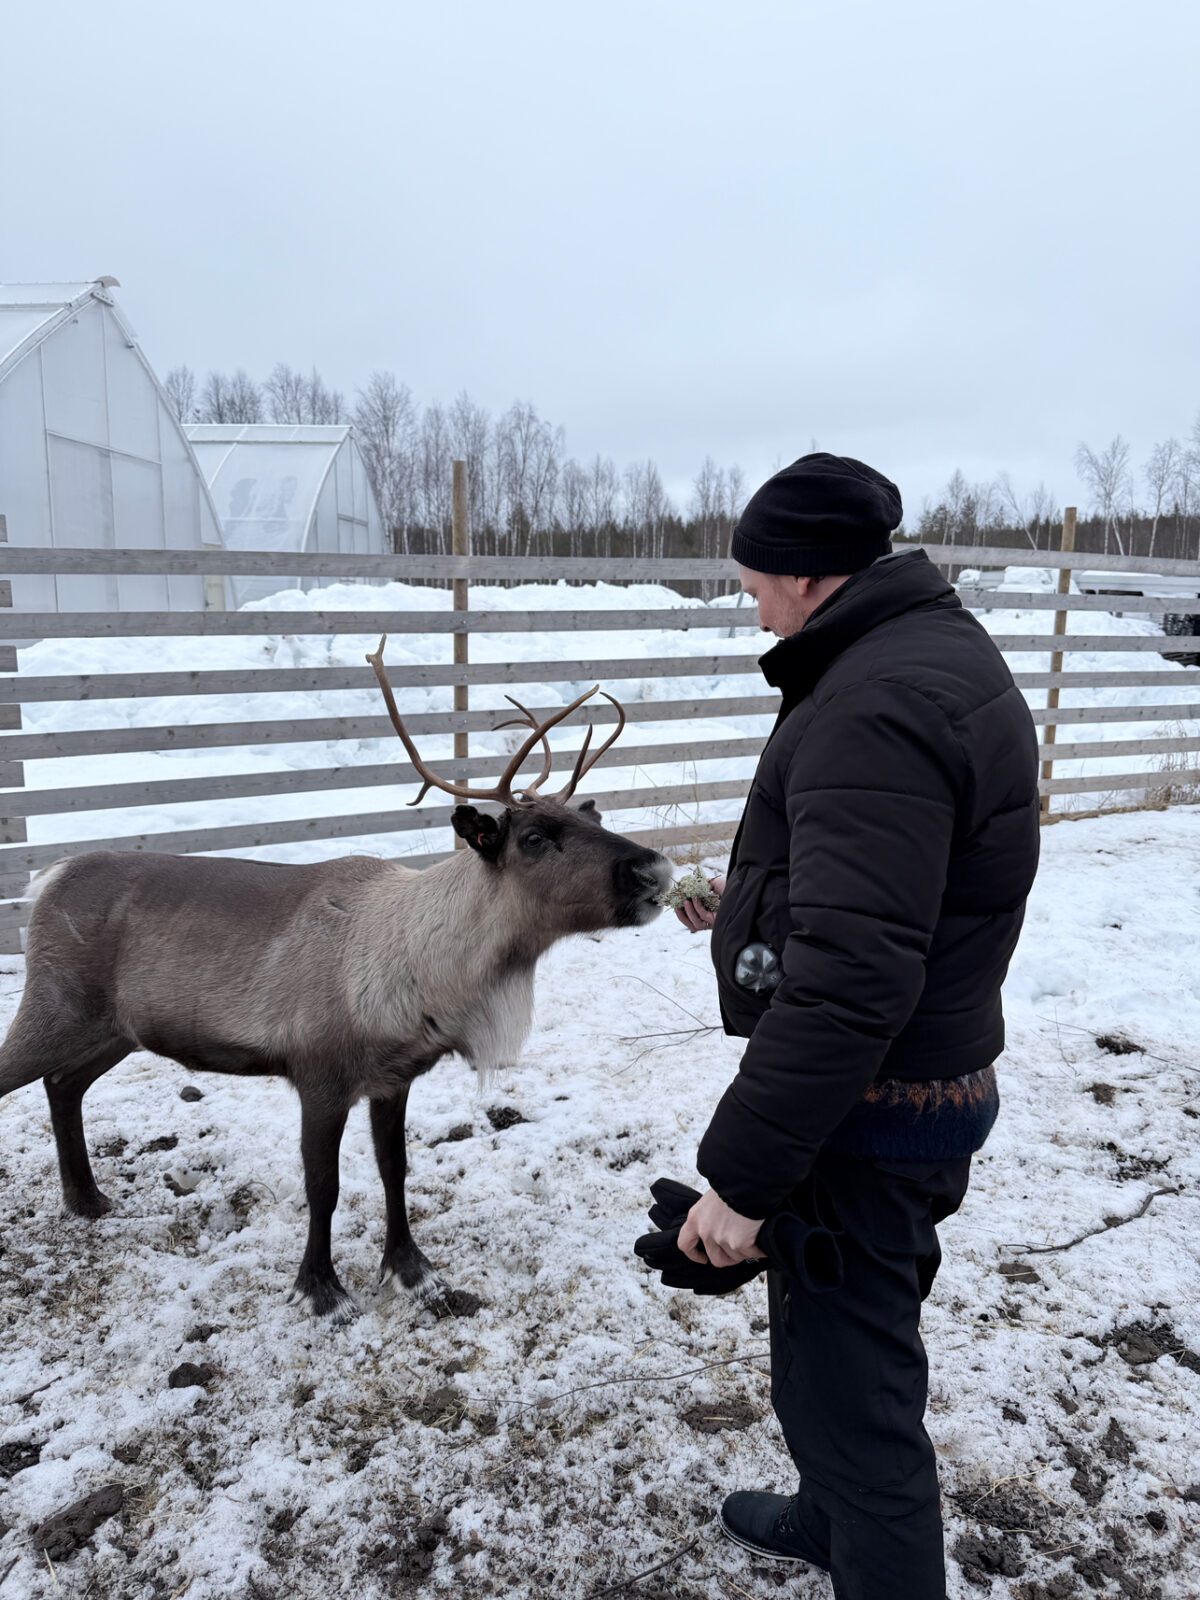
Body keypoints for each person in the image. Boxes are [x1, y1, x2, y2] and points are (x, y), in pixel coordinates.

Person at [671, 453, 1040, 1599]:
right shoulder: (920, 652)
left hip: (874, 1106)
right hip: (913, 1083)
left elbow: (852, 983)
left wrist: (740, 1182)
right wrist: (751, 909)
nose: (752, 608)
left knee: (857, 1406)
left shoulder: (872, 704)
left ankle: (862, 1527)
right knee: (834, 1356)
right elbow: (899, 895)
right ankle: (828, 1518)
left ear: (804, 573)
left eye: (753, 586)